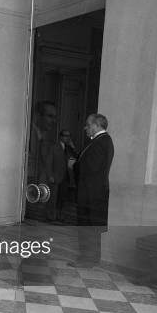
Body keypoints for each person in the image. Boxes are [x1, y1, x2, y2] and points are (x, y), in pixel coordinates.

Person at [70, 114, 114, 268]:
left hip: (91, 193)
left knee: (88, 227)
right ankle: (90, 259)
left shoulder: (101, 142)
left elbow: (91, 168)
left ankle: (87, 260)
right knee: (90, 227)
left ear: (96, 125)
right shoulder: (100, 141)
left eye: (88, 125)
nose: (85, 128)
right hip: (93, 192)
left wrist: (74, 165)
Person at [44, 129, 77, 221]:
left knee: (62, 198)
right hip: (55, 177)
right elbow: (48, 163)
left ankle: (59, 215)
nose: (67, 138)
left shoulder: (69, 148)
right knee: (52, 198)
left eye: (69, 136)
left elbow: (76, 157)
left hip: (66, 177)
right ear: (61, 137)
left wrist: (73, 146)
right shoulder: (54, 147)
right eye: (65, 136)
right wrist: (50, 175)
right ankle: (50, 215)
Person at [30, 101, 57, 184]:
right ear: (38, 116)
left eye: (54, 117)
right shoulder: (28, 134)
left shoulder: (42, 136)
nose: (54, 121)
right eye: (50, 116)